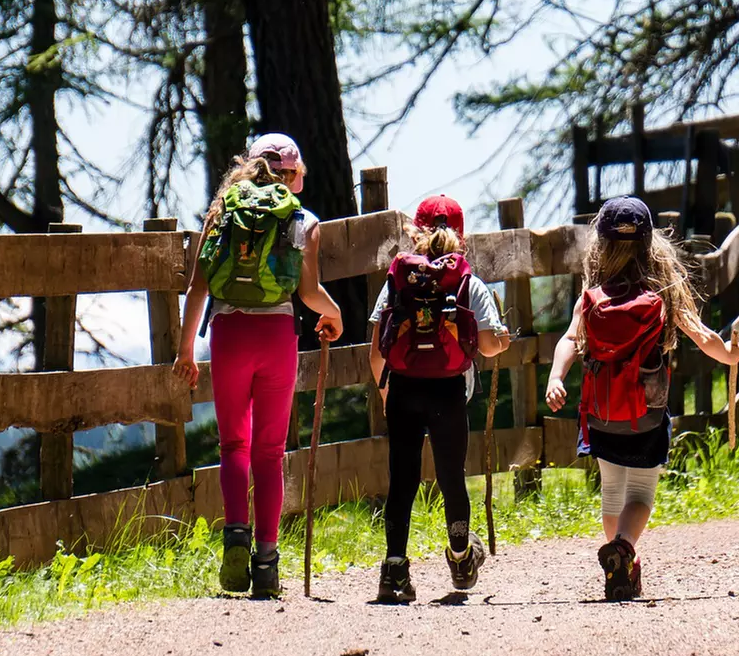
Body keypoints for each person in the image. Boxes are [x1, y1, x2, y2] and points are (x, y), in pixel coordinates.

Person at [545, 196, 739, 601]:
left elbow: (570, 339)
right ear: (650, 243)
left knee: (612, 491)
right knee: (640, 495)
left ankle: (621, 565)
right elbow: (700, 334)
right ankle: (623, 549)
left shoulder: (593, 294)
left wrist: (555, 376)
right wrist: (728, 354)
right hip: (647, 415)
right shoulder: (662, 290)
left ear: (599, 245)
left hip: (601, 415)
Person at [173, 134, 343, 599]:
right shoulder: (303, 221)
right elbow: (308, 293)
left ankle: (234, 538)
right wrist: (335, 314)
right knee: (269, 453)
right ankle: (266, 562)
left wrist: (186, 350)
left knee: (234, 446)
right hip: (276, 338)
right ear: (294, 174)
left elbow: (197, 288)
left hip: (229, 334)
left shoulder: (222, 212)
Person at [368, 195, 511, 603]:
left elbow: (377, 348)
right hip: (448, 390)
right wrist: (502, 339)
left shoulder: (397, 281)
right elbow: (486, 345)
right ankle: (462, 559)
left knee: (403, 481)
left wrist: (384, 391)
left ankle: (394, 570)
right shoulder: (468, 282)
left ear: (415, 232)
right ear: (461, 235)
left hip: (404, 388)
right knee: (451, 478)